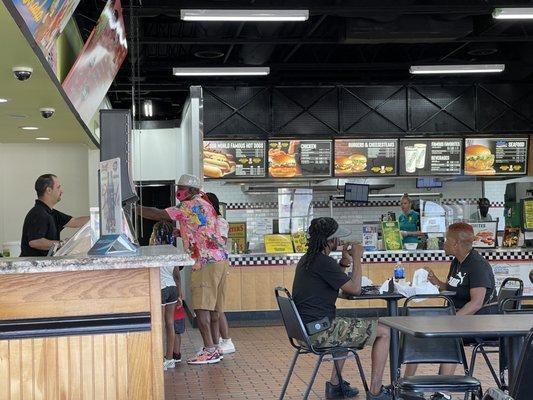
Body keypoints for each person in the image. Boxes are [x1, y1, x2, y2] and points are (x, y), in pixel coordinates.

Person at [292, 217, 392, 400]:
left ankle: (336, 387)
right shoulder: (323, 262)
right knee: (385, 332)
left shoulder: (308, 260)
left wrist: (345, 263)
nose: (340, 241)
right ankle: (376, 392)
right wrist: (357, 258)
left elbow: (334, 282)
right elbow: (354, 288)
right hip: (320, 332)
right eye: (337, 238)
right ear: (331, 240)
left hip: (305, 331)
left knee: (344, 327)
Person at [137, 174, 229, 365]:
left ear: (193, 190)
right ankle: (214, 347)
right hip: (220, 260)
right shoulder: (205, 204)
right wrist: (183, 232)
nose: (180, 190)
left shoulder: (188, 205)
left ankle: (210, 350)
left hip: (205, 262)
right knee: (214, 308)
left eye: (183, 188)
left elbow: (159, 214)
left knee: (202, 307)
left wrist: (133, 208)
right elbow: (202, 227)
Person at [405, 222, 496, 381]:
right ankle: (405, 384)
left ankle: (443, 391)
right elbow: (451, 288)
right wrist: (435, 280)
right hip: (460, 317)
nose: (443, 243)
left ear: (456, 243)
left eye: (446, 240)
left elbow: (476, 303)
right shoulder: (457, 262)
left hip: (479, 321)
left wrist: (451, 322)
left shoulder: (477, 265)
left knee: (448, 336)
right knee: (417, 332)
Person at [20, 174, 89, 256]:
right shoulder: (38, 213)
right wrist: (62, 244)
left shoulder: (52, 213)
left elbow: (75, 222)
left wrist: (99, 217)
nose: (61, 191)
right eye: (58, 187)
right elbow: (35, 242)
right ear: (49, 190)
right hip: (33, 267)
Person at [204, 192, 235, 355]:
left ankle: (227, 340)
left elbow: (220, 241)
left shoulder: (220, 221)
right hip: (211, 266)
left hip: (218, 266)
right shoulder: (208, 222)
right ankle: (216, 344)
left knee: (217, 309)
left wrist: (204, 234)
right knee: (213, 309)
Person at [149, 221, 180, 370]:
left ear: (155, 234)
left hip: (160, 289)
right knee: (170, 324)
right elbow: (176, 275)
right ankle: (169, 359)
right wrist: (180, 294)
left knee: (159, 325)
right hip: (172, 289)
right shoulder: (172, 250)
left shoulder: (152, 250)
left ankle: (160, 359)